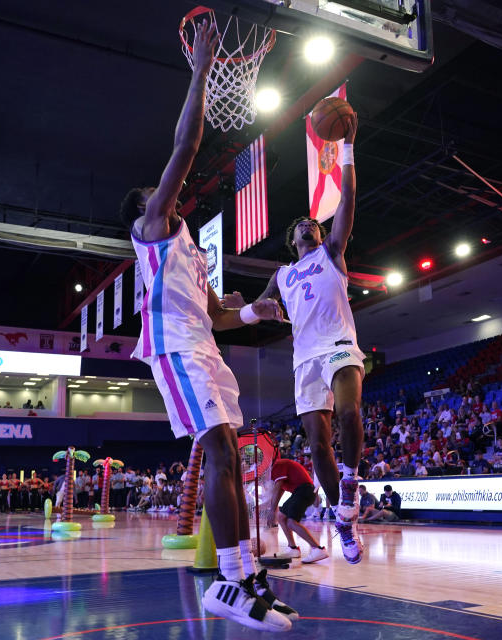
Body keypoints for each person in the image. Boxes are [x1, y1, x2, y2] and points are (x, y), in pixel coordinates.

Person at [118, 21, 290, 631]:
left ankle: (248, 576)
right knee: (216, 448)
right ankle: (228, 579)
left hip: (205, 346)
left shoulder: (188, 247)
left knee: (229, 453)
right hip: (174, 350)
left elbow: (218, 312)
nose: (163, 190)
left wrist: (254, 312)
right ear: (146, 209)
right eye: (155, 190)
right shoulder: (153, 231)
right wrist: (200, 70)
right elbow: (185, 150)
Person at [252, 107, 364, 566]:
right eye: (302, 225)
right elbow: (258, 307)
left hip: (338, 344)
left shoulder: (332, 252)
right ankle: (343, 519)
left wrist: (349, 147)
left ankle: (352, 480)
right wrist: (259, 308)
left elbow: (349, 201)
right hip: (304, 358)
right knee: (318, 445)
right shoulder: (282, 273)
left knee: (351, 409)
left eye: (313, 223)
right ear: (291, 238)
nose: (308, 224)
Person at [265, 457, 329, 564]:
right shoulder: (278, 469)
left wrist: (272, 510)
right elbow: (280, 490)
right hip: (301, 491)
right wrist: (273, 509)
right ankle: (293, 548)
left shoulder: (278, 465)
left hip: (304, 490)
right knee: (281, 516)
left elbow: (278, 486)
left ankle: (318, 549)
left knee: (291, 522)